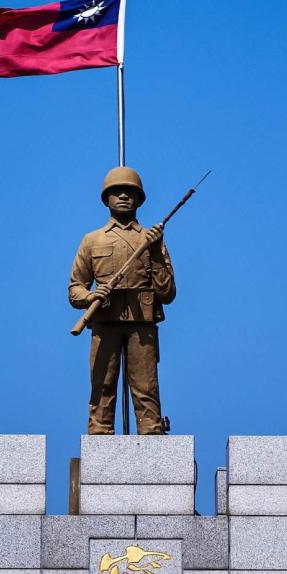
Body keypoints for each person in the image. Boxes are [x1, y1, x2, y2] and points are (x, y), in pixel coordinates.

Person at [68, 166, 176, 434]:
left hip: (143, 323)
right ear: (107, 199)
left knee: (146, 387)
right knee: (102, 386)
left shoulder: (150, 239)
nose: (124, 196)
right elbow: (75, 289)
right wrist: (92, 295)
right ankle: (99, 438)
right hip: (105, 321)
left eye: (130, 192)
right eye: (117, 192)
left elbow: (168, 292)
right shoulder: (92, 240)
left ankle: (151, 434)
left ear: (139, 199)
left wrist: (156, 251)